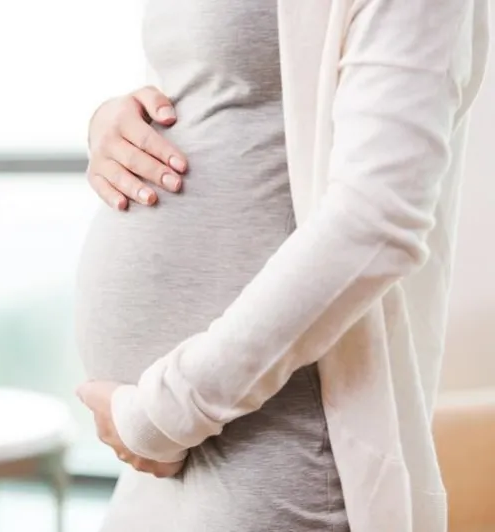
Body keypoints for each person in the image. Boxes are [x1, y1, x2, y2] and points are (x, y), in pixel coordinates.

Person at [75, 0, 490, 531]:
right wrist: (113, 122)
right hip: (164, 445)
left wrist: (165, 412)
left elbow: (376, 220)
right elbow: (222, 95)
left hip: (272, 439)